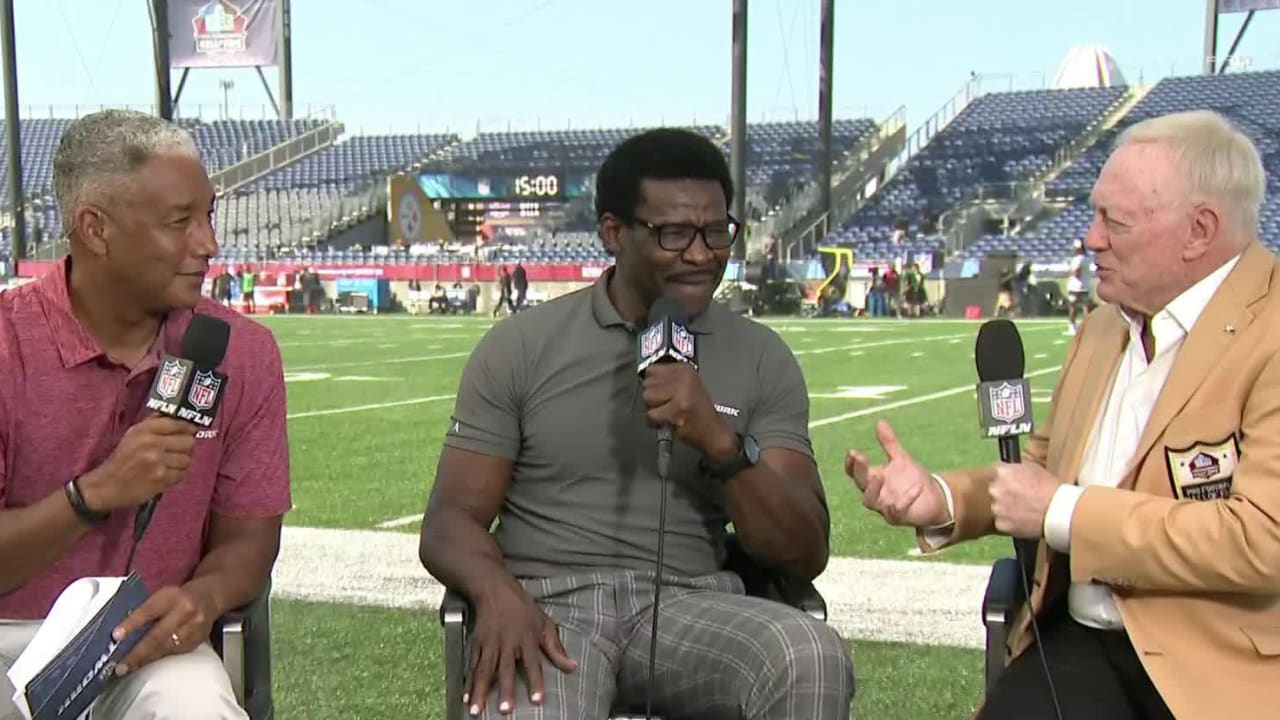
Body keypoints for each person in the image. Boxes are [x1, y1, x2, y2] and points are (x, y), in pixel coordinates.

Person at [844, 109, 1280, 720]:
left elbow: (1263, 541)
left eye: (1114, 221)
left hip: (1219, 667)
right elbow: (1046, 465)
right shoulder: (1105, 325)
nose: (1091, 238)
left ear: (1199, 231)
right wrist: (942, 499)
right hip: (1080, 642)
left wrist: (1062, 511)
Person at [420, 127, 853, 720]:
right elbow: (449, 521)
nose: (701, 254)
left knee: (809, 653)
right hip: (548, 606)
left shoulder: (761, 357)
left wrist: (722, 446)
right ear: (614, 233)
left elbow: (804, 553)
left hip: (691, 606)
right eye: (674, 233)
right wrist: (497, 593)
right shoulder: (522, 344)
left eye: (715, 231)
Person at [0, 109, 291, 720]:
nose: (208, 244)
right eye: (179, 222)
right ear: (95, 229)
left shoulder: (243, 351)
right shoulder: (6, 344)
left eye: (208, 216)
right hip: (7, 635)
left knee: (196, 705)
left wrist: (202, 598)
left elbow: (250, 539)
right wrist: (94, 494)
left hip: (149, 641)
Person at [1066, 240, 1092, 334]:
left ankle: (1072, 326)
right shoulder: (1087, 258)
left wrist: (1069, 271)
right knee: (1085, 307)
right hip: (1085, 285)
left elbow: (1076, 272)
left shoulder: (1077, 259)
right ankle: (1087, 326)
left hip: (1075, 286)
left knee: (1073, 306)